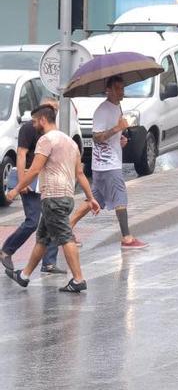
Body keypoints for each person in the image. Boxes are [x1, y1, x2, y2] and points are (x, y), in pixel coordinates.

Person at [5, 103, 100, 293]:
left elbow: (34, 170)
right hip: (66, 196)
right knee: (43, 237)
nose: (32, 126)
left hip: (53, 197)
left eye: (34, 121)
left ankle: (78, 279)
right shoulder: (70, 142)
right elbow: (80, 174)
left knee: (65, 236)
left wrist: (16, 189)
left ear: (42, 120)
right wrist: (91, 198)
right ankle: (24, 276)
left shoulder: (46, 140)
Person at [68, 76, 147, 249]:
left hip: (107, 164)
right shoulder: (102, 110)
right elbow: (96, 137)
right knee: (120, 198)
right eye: (118, 88)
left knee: (94, 199)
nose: (121, 91)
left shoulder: (117, 107)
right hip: (107, 164)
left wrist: (121, 138)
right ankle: (127, 238)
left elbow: (111, 137)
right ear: (108, 90)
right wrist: (117, 129)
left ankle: (66, 228)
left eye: (122, 87)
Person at [1, 97, 65, 275]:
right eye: (51, 108)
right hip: (29, 180)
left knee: (52, 220)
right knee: (32, 221)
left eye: (56, 109)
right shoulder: (29, 128)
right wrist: (22, 182)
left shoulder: (52, 130)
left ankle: (49, 263)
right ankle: (7, 250)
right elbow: (21, 155)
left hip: (46, 181)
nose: (54, 112)